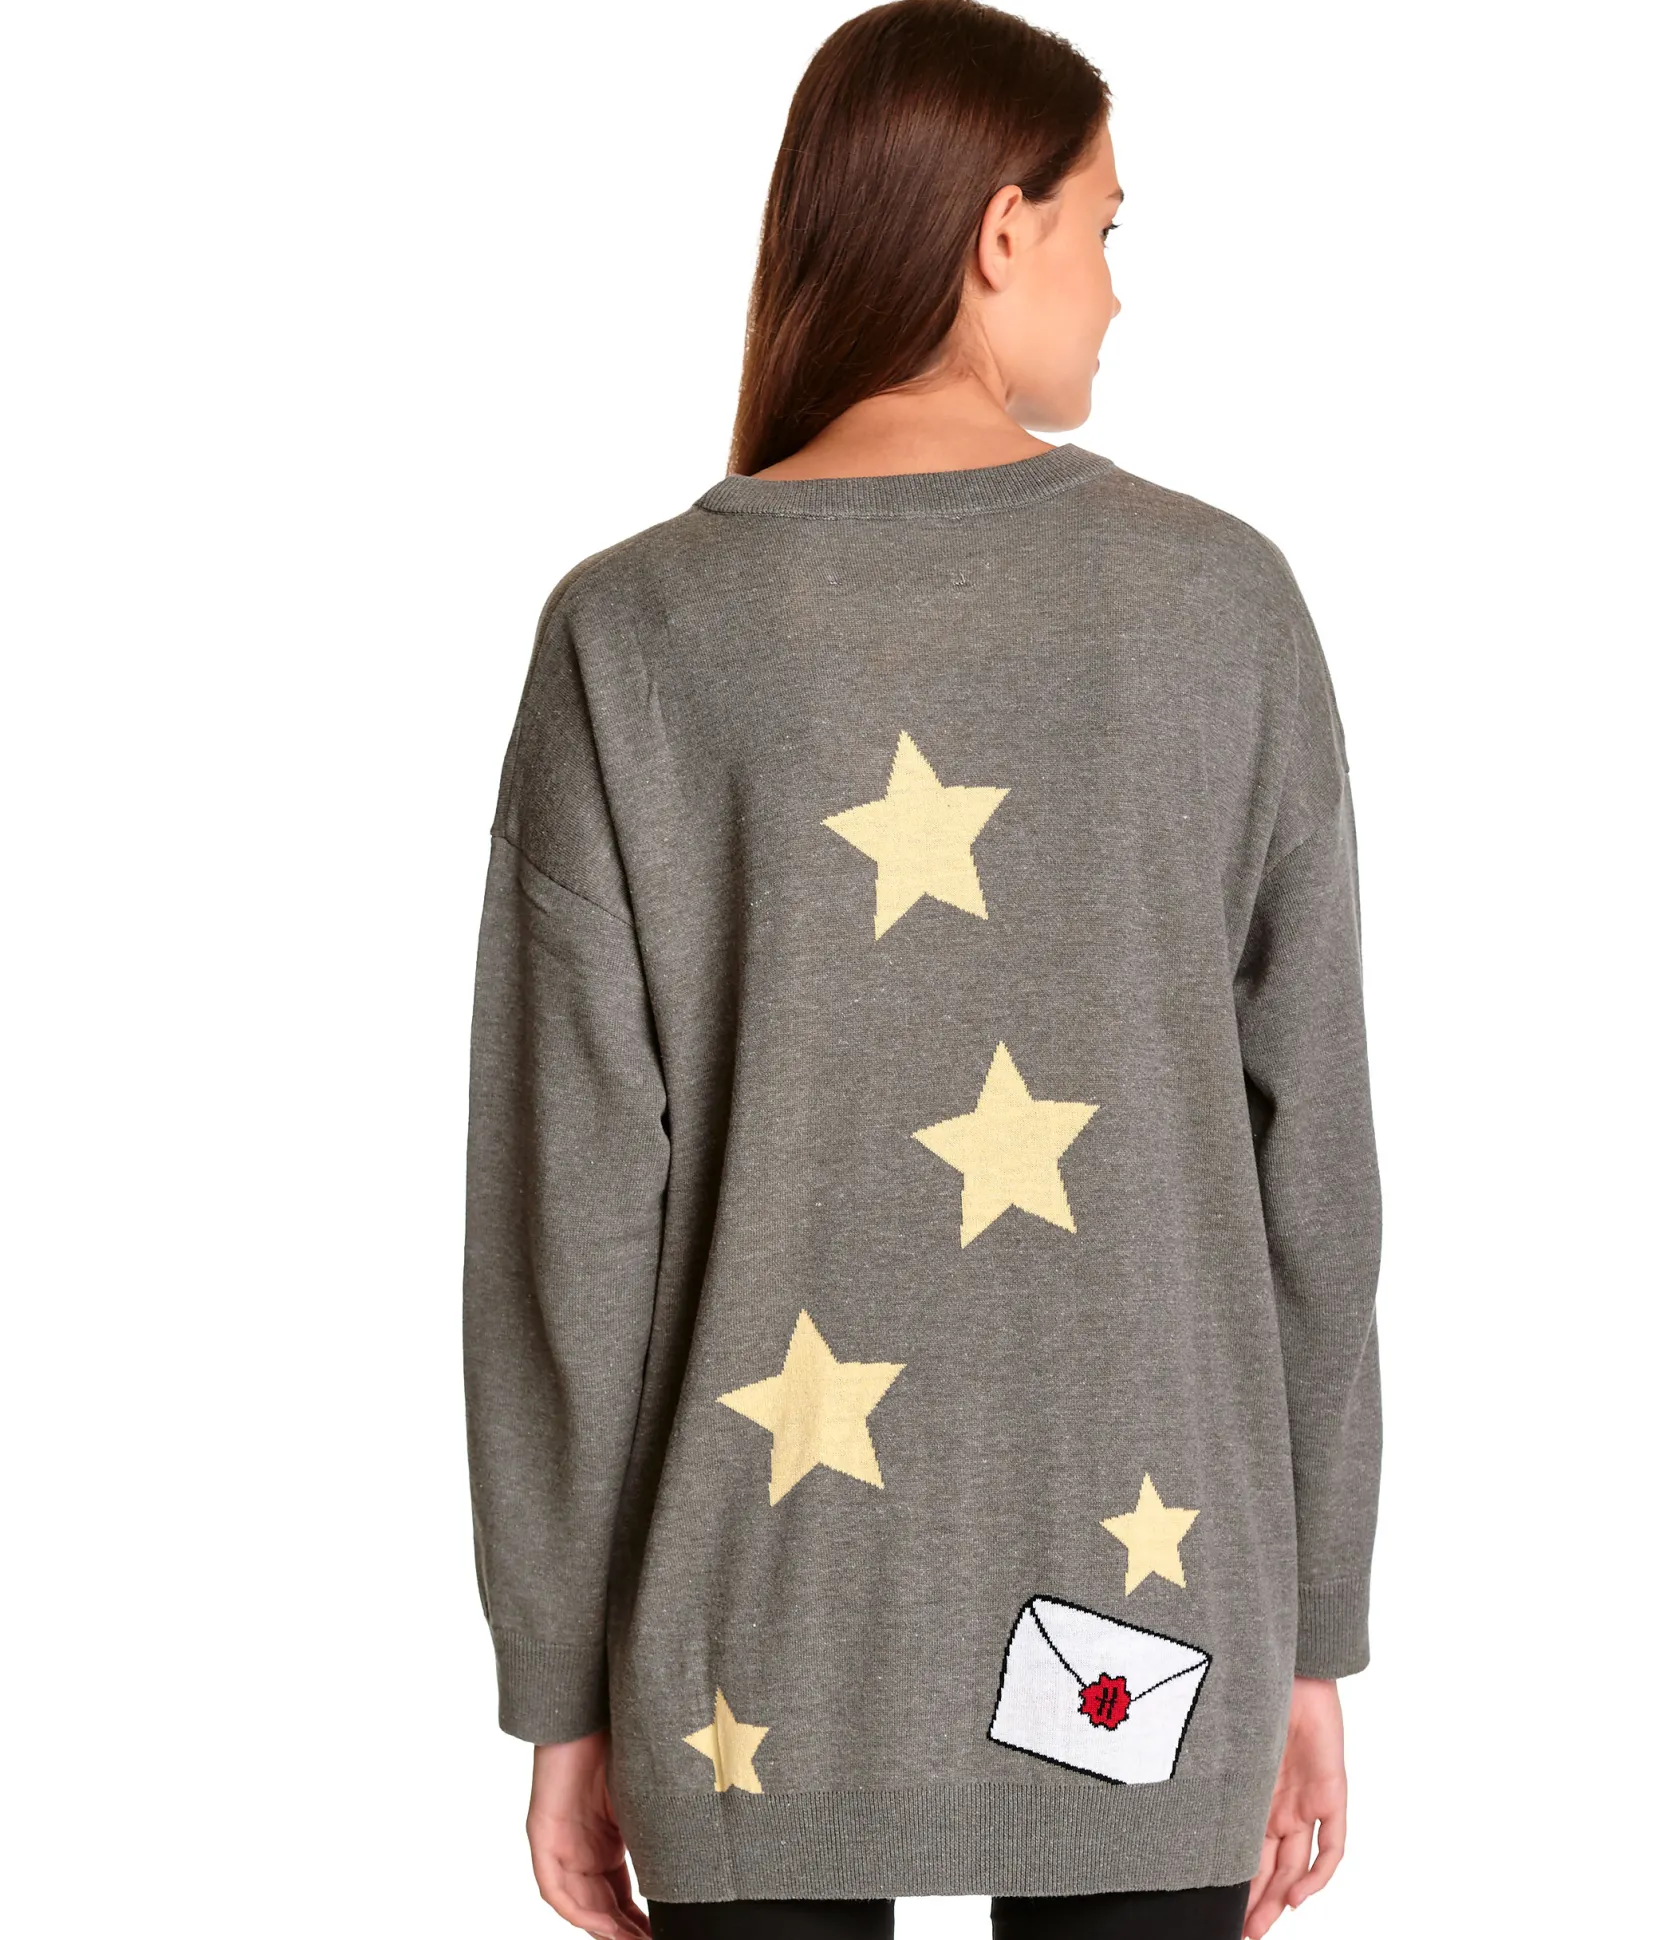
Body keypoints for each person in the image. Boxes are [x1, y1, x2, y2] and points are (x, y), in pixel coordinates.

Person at [461, 3, 1383, 1936]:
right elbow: (1316, 1178)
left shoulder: (634, 633)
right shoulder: (1224, 604)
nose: (1119, 288)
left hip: (744, 1653)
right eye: (1108, 226)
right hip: (1158, 1613)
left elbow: (565, 1225)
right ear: (1000, 229)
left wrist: (559, 1683)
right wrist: (1314, 1628)